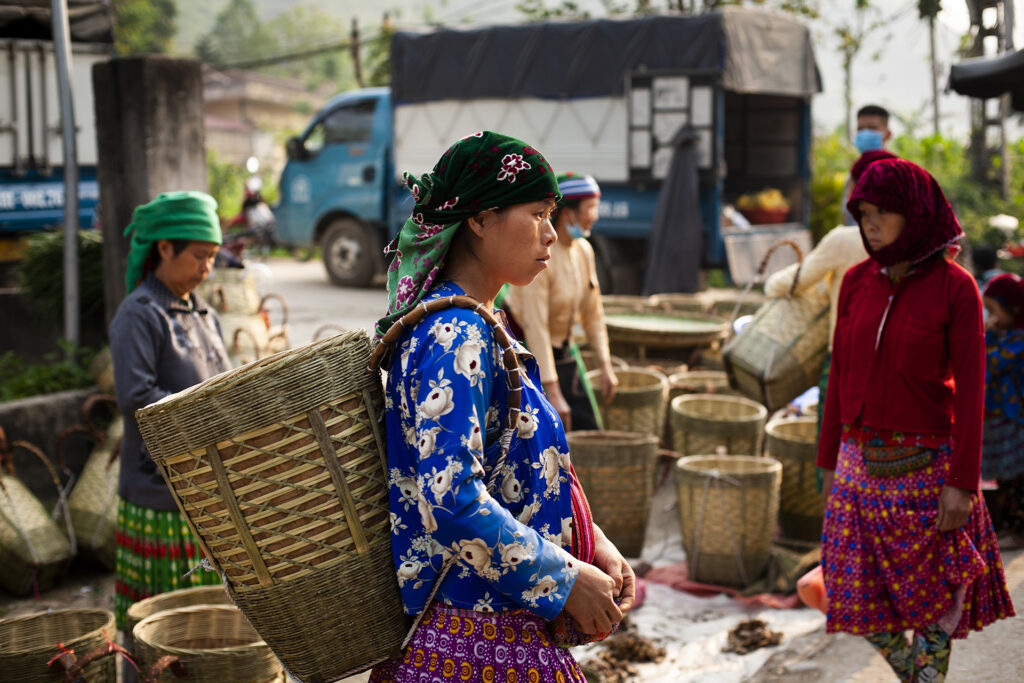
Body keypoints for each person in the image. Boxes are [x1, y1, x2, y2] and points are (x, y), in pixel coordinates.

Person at [370, 132, 635, 682]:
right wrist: (564, 578)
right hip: (474, 632)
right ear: (480, 219)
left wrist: (594, 544)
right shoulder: (455, 335)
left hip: (501, 619)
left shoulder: (486, 325)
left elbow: (521, 466)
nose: (550, 232)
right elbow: (453, 500)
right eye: (537, 213)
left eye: (553, 214)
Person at [818, 158, 1014, 682]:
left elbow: (973, 391)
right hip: (858, 467)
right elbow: (839, 375)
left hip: (928, 474)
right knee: (848, 588)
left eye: (884, 212)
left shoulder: (957, 288)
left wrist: (963, 484)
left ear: (917, 214)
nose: (871, 224)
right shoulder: (858, 282)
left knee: (934, 605)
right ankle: (917, 676)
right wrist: (829, 461)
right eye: (863, 212)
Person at [109, 192, 229, 639]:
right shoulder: (139, 316)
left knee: (208, 627)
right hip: (159, 497)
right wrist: (205, 413)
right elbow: (137, 397)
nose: (207, 268)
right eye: (200, 256)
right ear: (164, 249)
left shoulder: (204, 314)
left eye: (213, 257)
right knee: (161, 627)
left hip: (205, 490)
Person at [503, 172, 618, 431]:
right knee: (543, 431)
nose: (595, 216)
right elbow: (536, 327)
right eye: (591, 208)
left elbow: (593, 313)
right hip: (527, 353)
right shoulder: (542, 255)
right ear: (569, 214)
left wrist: (605, 365)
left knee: (588, 426)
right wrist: (552, 391)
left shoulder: (583, 251)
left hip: (564, 351)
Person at [764, 224, 867, 437]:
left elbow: (800, 279)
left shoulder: (845, 240)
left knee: (834, 442)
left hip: (843, 358)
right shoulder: (910, 245)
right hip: (886, 365)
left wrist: (771, 285)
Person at [980, 274, 1024, 549]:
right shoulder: (1005, 335)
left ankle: (1019, 530)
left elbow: (992, 363)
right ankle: (1010, 528)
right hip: (1002, 419)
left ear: (1014, 308)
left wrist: (986, 333)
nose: (992, 318)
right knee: (1007, 480)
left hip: (1016, 420)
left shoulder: (1018, 339)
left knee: (1017, 480)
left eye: (995, 311)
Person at [842, 104, 894, 226]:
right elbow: (847, 219)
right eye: (860, 129)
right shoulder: (853, 175)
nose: (865, 133)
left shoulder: (895, 172)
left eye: (872, 128)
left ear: (887, 134)